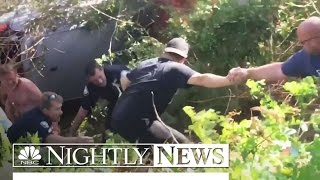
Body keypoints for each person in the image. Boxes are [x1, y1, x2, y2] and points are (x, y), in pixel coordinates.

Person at [111, 37, 237, 144]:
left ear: (165, 51)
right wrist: (228, 79)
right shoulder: (175, 68)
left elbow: (125, 80)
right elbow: (202, 79)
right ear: (183, 59)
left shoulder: (147, 63)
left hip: (117, 118)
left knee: (150, 149)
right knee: (184, 146)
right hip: (139, 121)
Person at [228, 16, 320, 83]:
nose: (303, 45)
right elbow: (279, 70)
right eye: (302, 42)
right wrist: (247, 73)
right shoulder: (306, 57)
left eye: (305, 41)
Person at [68, 61, 129, 137]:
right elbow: (83, 111)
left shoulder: (117, 72)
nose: (100, 82)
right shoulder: (90, 88)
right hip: (114, 102)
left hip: (130, 97)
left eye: (100, 77)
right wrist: (72, 132)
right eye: (95, 81)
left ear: (102, 69)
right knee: (109, 128)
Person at [6, 92, 93, 143]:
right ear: (45, 110)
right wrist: (77, 140)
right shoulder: (37, 121)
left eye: (60, 108)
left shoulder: (43, 114)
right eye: (57, 109)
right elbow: (50, 139)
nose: (61, 112)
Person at [0, 63, 60, 134]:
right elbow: (5, 101)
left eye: (11, 79)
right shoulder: (4, 87)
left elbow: (48, 104)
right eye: (6, 80)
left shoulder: (27, 86)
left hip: (39, 121)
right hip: (24, 122)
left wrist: (55, 126)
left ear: (16, 75)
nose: (10, 82)